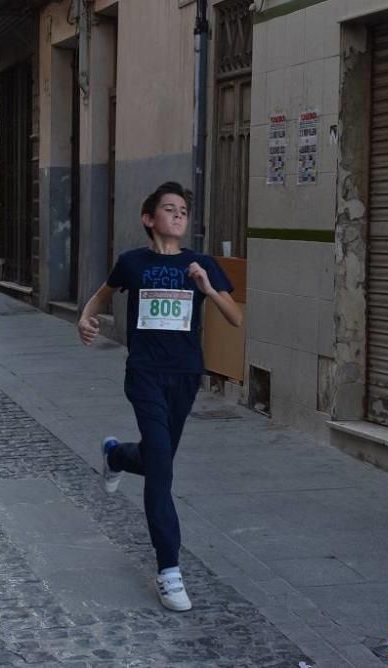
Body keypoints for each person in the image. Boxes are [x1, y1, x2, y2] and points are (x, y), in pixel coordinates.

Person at [76, 181, 242, 612]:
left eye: (184, 210)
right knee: (162, 472)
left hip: (185, 376)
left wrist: (207, 288)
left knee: (156, 456)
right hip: (145, 375)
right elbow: (100, 297)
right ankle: (169, 571)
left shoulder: (200, 263)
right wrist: (85, 320)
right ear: (150, 219)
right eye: (169, 209)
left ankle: (116, 456)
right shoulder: (133, 263)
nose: (178, 215)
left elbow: (236, 318)